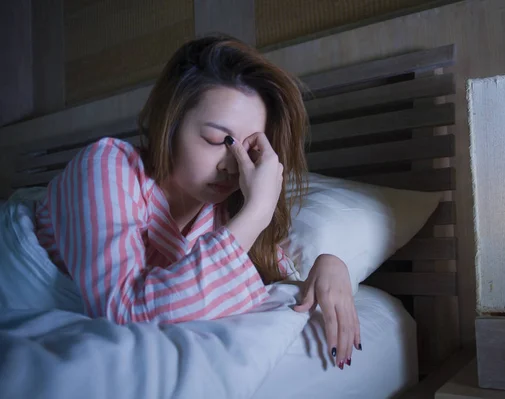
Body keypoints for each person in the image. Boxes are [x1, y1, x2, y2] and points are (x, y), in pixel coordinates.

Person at [31, 34, 359, 369]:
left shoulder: (222, 210)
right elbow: (124, 313)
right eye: (217, 139)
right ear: (170, 123)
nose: (233, 165)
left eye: (249, 150)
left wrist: (330, 263)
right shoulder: (105, 167)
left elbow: (271, 274)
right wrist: (257, 212)